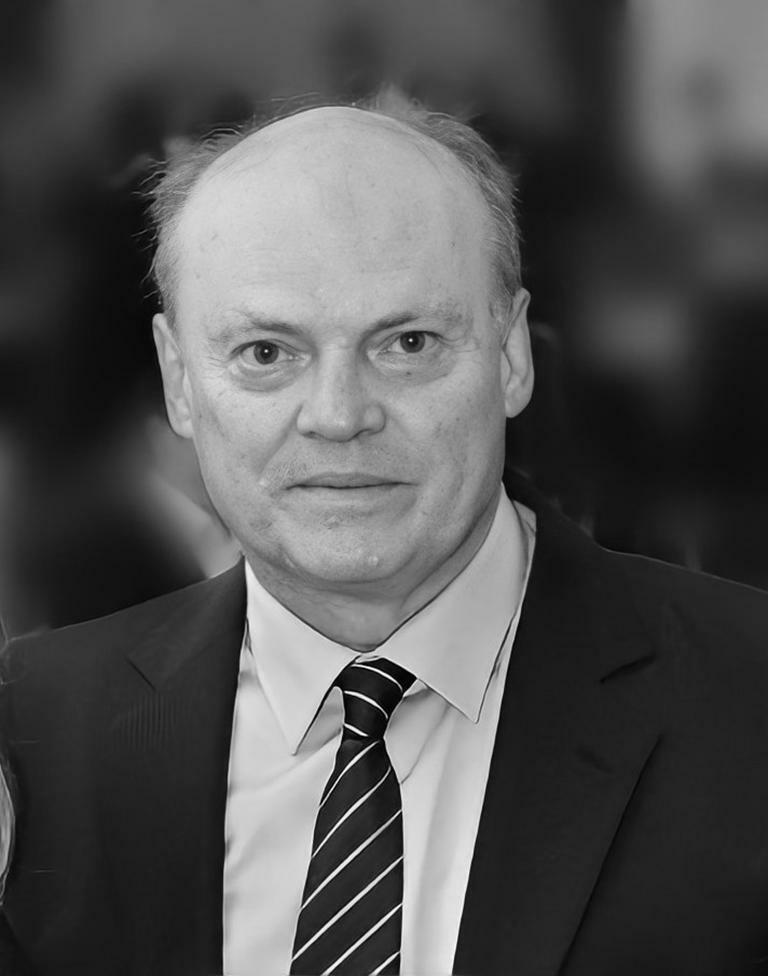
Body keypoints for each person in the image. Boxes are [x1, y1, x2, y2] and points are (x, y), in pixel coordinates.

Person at [2, 90, 768, 976]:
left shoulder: (746, 703)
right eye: (266, 353)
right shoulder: (33, 733)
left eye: (407, 343)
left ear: (512, 354)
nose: (338, 415)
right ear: (179, 380)